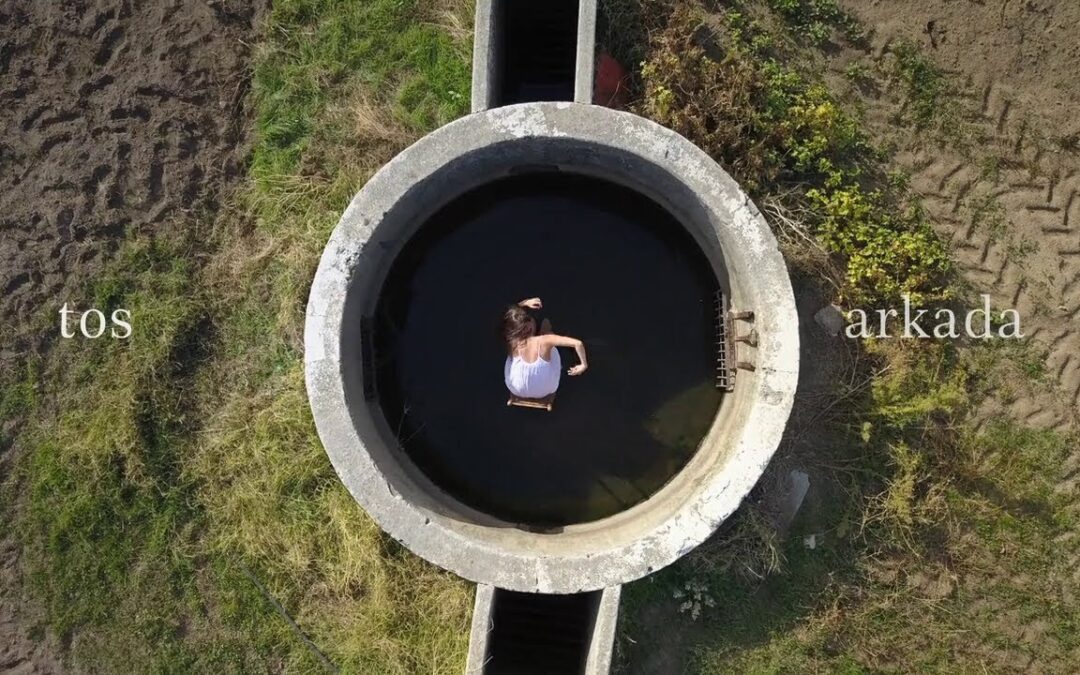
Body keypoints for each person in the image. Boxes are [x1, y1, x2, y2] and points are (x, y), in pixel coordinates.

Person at [503, 297, 588, 399]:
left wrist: (524, 303)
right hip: (544, 391)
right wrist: (583, 365)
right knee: (551, 347)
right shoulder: (546, 340)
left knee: (510, 358)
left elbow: (508, 315)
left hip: (517, 390)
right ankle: (546, 331)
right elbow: (578, 343)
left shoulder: (512, 340)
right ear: (531, 327)